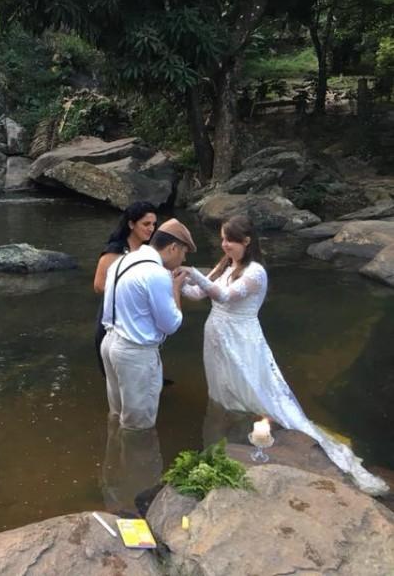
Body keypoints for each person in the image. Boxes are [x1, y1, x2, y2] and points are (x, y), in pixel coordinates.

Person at [181, 215, 388, 496]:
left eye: (230, 240)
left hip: (242, 339)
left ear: (247, 241)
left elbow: (225, 296)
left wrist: (193, 271)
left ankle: (263, 432)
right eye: (222, 239)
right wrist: (175, 277)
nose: (224, 245)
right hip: (216, 337)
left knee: (257, 387)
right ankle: (231, 430)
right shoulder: (226, 264)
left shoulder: (256, 272)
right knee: (222, 389)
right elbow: (196, 294)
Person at [101, 218, 195, 430]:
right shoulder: (156, 273)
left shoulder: (122, 261)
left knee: (117, 414)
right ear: (173, 247)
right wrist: (176, 289)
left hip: (110, 343)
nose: (183, 258)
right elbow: (171, 324)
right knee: (138, 426)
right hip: (135, 352)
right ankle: (136, 463)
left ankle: (114, 461)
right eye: (184, 252)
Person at [92, 202, 158, 377]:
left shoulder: (148, 251)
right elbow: (98, 285)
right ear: (131, 224)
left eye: (153, 224)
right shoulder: (115, 251)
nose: (151, 228)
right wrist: (131, 291)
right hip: (114, 317)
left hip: (139, 316)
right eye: (146, 224)